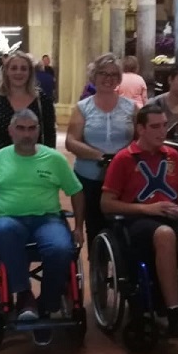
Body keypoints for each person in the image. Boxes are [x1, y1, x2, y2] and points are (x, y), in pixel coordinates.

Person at [0, 110, 84, 345]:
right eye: (21, 128)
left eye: (31, 129)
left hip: (48, 219)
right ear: (11, 131)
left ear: (39, 130)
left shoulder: (54, 159)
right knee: (4, 232)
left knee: (61, 248)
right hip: (9, 219)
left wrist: (78, 226)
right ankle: (25, 296)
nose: (27, 134)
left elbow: (76, 191)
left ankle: (46, 306)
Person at [101, 105, 178, 337]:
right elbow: (106, 204)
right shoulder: (124, 158)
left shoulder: (173, 156)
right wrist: (148, 209)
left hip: (169, 214)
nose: (161, 131)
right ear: (141, 129)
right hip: (136, 219)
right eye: (155, 126)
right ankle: (173, 310)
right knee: (165, 234)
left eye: (164, 125)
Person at [65, 53, 136, 239]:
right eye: (103, 73)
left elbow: (140, 139)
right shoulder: (83, 107)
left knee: (124, 227)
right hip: (90, 175)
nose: (108, 78)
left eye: (113, 75)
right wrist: (100, 156)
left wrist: (121, 158)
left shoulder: (131, 107)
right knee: (95, 226)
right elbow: (71, 141)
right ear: (94, 77)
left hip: (124, 176)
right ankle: (98, 266)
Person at [0, 50, 56, 163]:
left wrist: (50, 163)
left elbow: (49, 135)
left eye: (23, 68)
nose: (19, 72)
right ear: (6, 71)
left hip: (34, 163)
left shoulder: (42, 100)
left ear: (30, 72)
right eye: (14, 68)